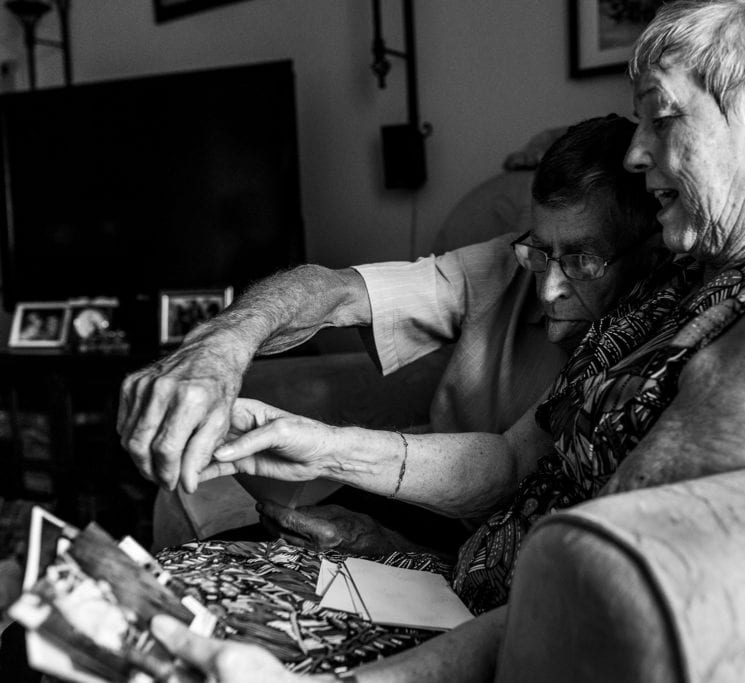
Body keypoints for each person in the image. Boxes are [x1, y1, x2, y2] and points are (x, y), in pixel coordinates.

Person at [134, 0, 745, 680]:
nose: (637, 152)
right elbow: (512, 461)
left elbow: (596, 586)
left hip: (491, 647)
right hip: (451, 590)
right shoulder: (677, 282)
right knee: (135, 606)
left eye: (663, 115)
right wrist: (315, 443)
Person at [119, 114, 661, 551]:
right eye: (540, 252)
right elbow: (334, 290)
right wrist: (222, 345)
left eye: (584, 261)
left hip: (509, 541)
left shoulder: (662, 328)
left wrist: (381, 528)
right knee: (217, 564)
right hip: (424, 497)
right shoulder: (503, 264)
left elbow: (513, 471)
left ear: (649, 247)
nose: (547, 288)